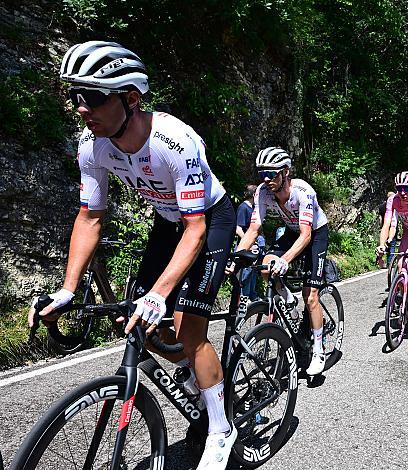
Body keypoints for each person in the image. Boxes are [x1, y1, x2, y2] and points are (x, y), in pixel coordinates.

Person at [28, 41, 237, 468]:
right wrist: (68, 290)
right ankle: (202, 376)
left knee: (187, 327)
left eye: (93, 97)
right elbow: (89, 217)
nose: (82, 108)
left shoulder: (175, 142)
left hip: (209, 219)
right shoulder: (93, 147)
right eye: (75, 96)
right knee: (137, 322)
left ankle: (221, 428)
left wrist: (161, 293)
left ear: (131, 98)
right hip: (166, 222)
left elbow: (195, 228)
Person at [235, 147, 330, 376]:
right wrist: (236, 256)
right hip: (291, 230)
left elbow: (306, 234)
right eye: (261, 174)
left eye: (271, 173)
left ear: (285, 172)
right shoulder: (262, 192)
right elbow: (254, 228)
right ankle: (287, 297)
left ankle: (318, 350)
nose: (266, 179)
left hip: (315, 232)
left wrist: (286, 260)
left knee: (311, 295)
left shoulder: (302, 191)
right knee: (267, 263)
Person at [235, 184, 264, 301]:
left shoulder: (253, 208)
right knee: (246, 271)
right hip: (247, 245)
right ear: (253, 195)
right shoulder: (243, 207)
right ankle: (243, 297)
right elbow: (238, 228)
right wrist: (249, 243)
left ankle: (252, 295)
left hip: (256, 244)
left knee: (254, 270)